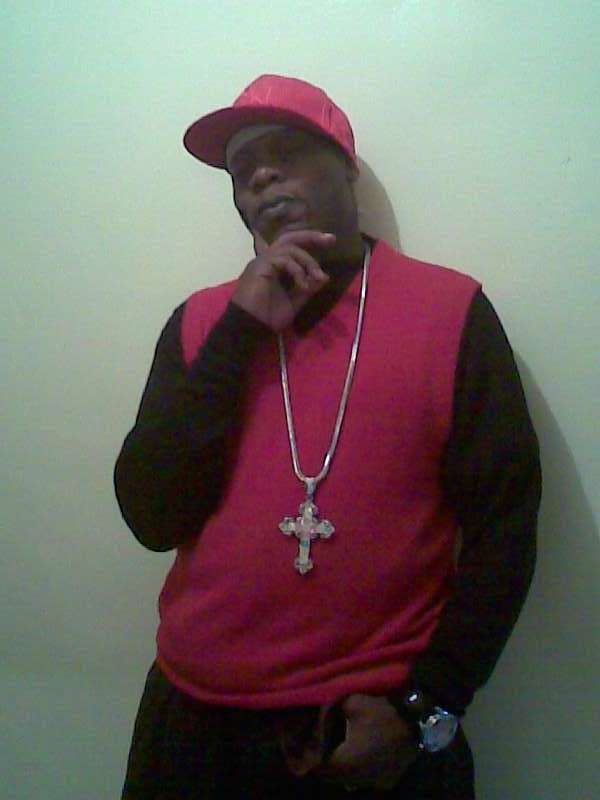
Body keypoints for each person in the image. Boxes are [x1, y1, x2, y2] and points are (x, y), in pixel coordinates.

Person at [114, 75, 541, 799]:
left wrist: (430, 705)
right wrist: (240, 331)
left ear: (345, 168)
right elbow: (151, 517)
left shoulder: (449, 311)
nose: (261, 176)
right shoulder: (202, 322)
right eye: (242, 170)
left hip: (369, 733)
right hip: (193, 726)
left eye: (284, 153)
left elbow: (506, 527)